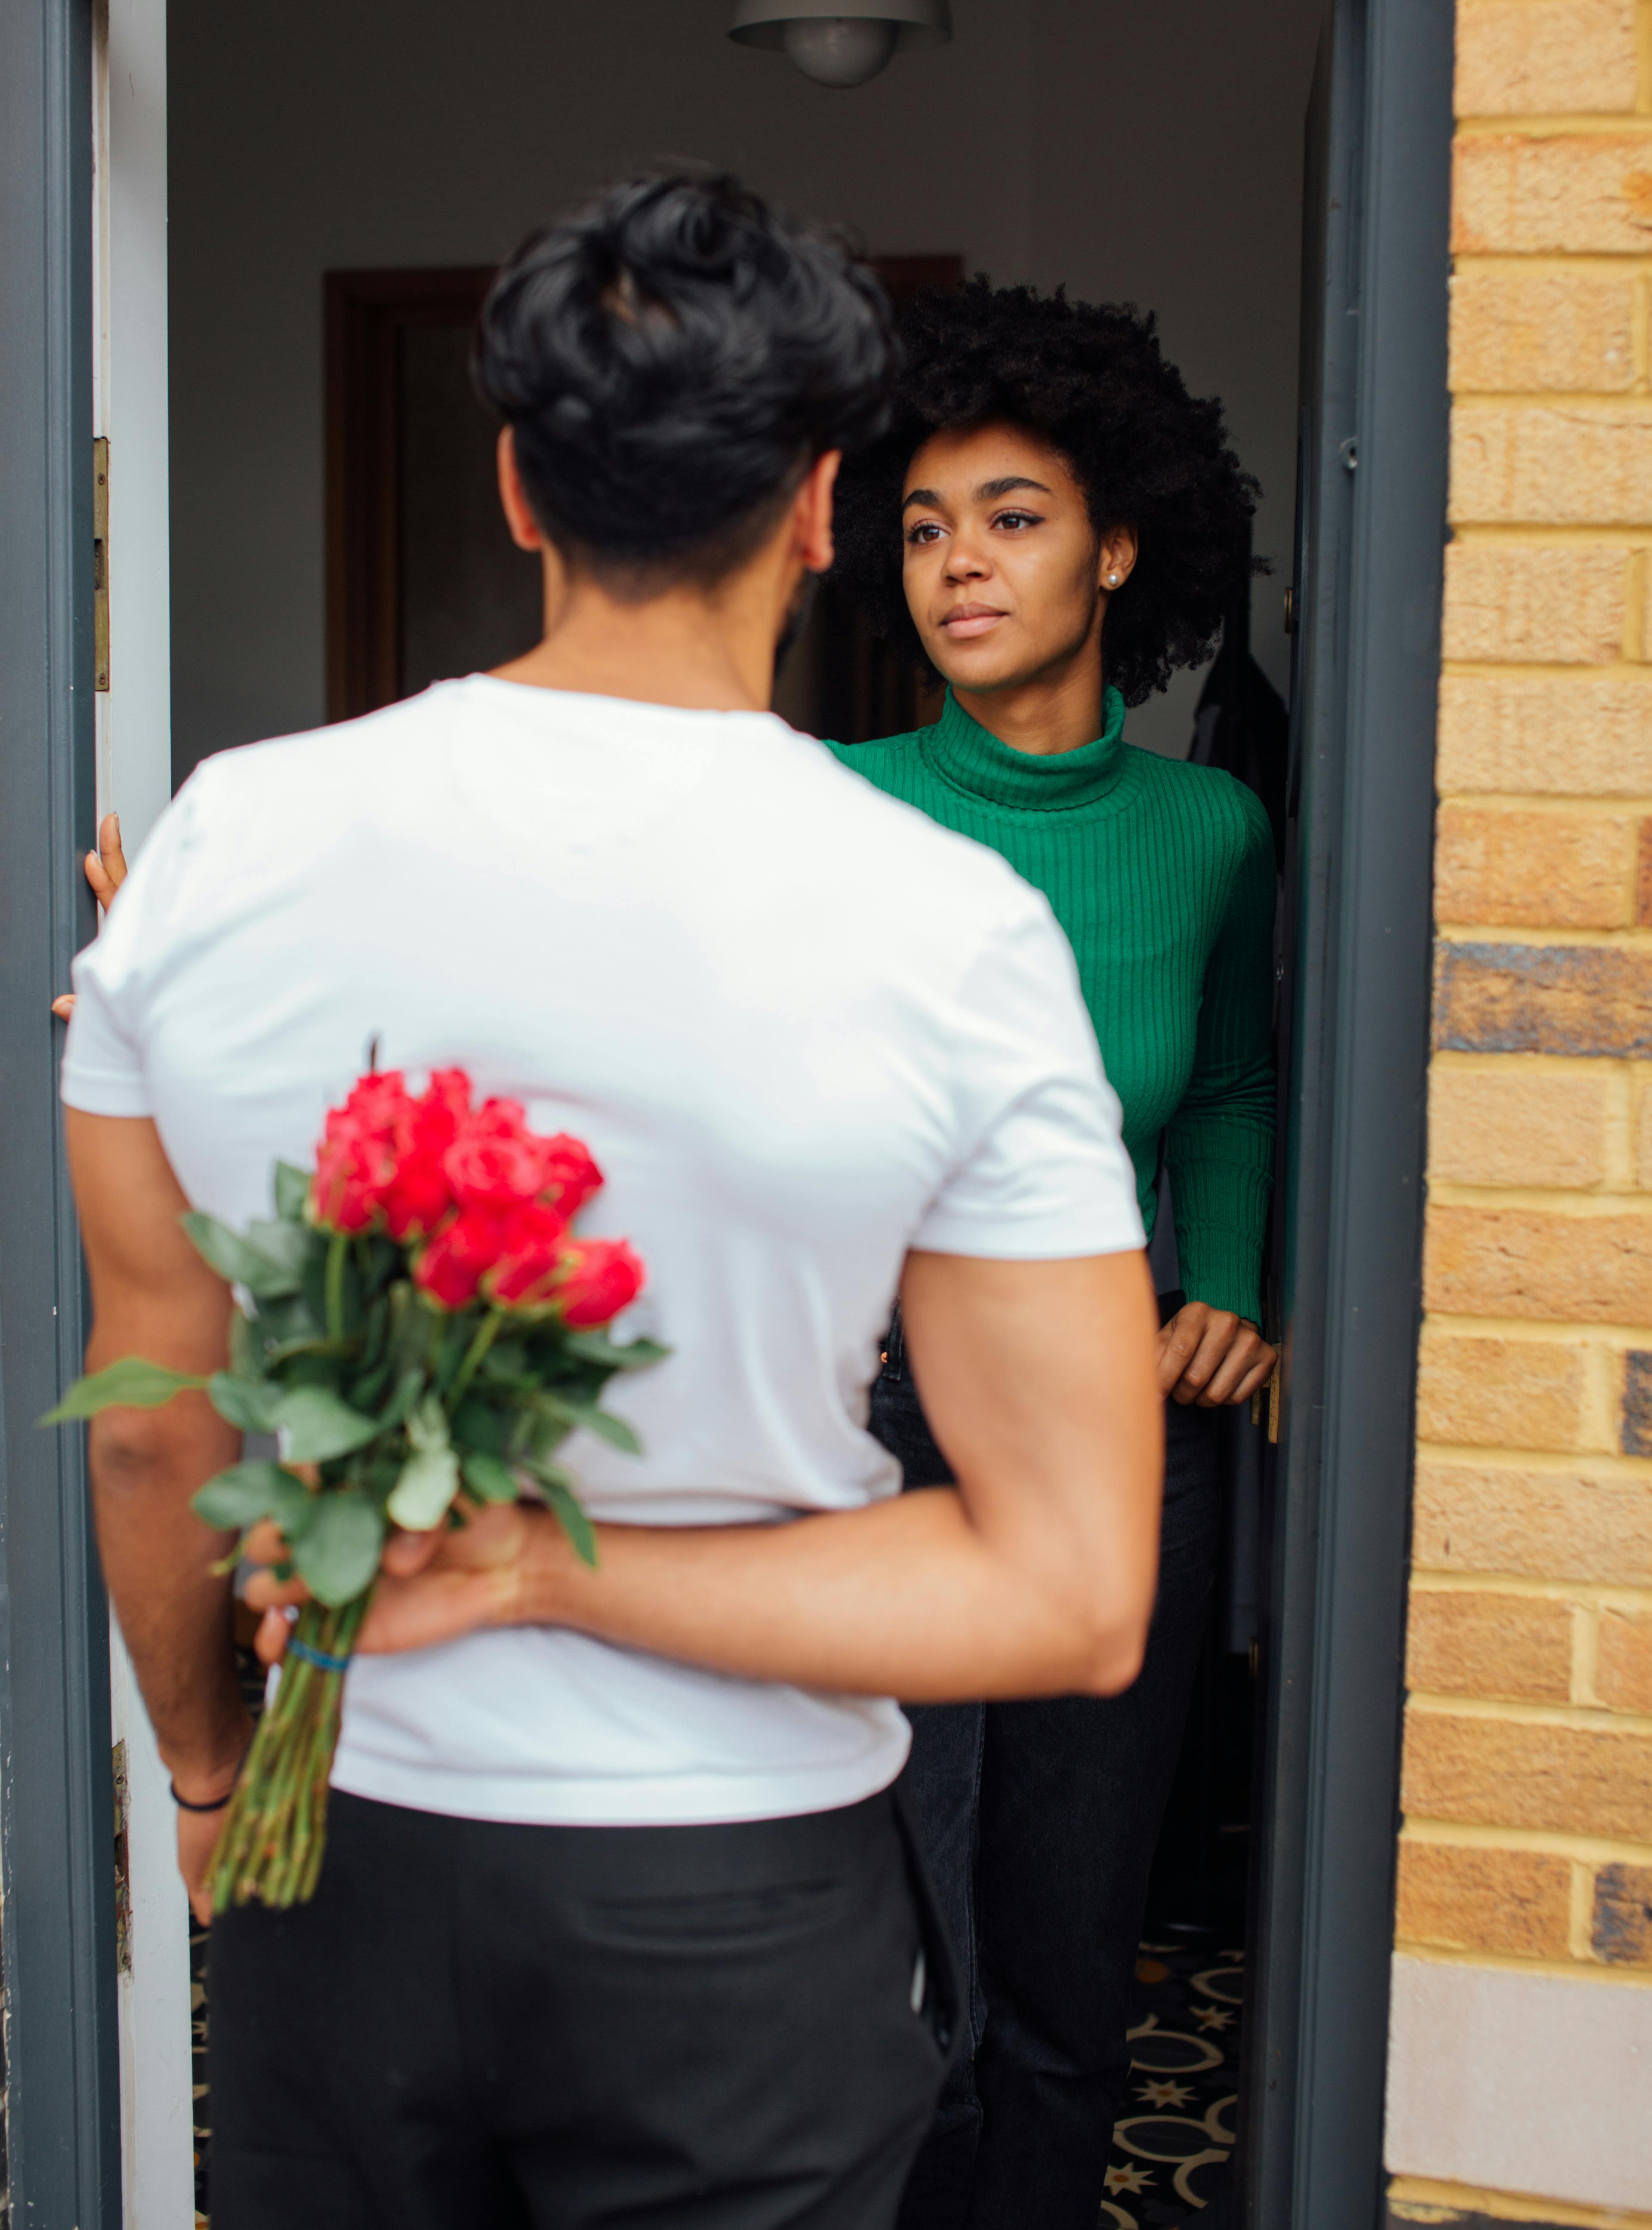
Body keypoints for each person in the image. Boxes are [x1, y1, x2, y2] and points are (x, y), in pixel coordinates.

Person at [60, 173, 1165, 2230]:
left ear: (514, 486)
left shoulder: (223, 846)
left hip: (339, 1843)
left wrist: (210, 1780)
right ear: (828, 506)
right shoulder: (947, 926)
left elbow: (149, 1423)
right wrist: (570, 1577)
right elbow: (1075, 1591)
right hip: (732, 1904)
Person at [824, 276, 1278, 2230]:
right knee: (898, 1944)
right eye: (923, 529)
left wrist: (1238, 1281)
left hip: (1121, 1420)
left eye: (1011, 518)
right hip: (882, 1420)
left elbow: (1236, 1087)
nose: (959, 567)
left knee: (1078, 1949)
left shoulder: (1214, 831)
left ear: (1118, 546)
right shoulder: (836, 812)